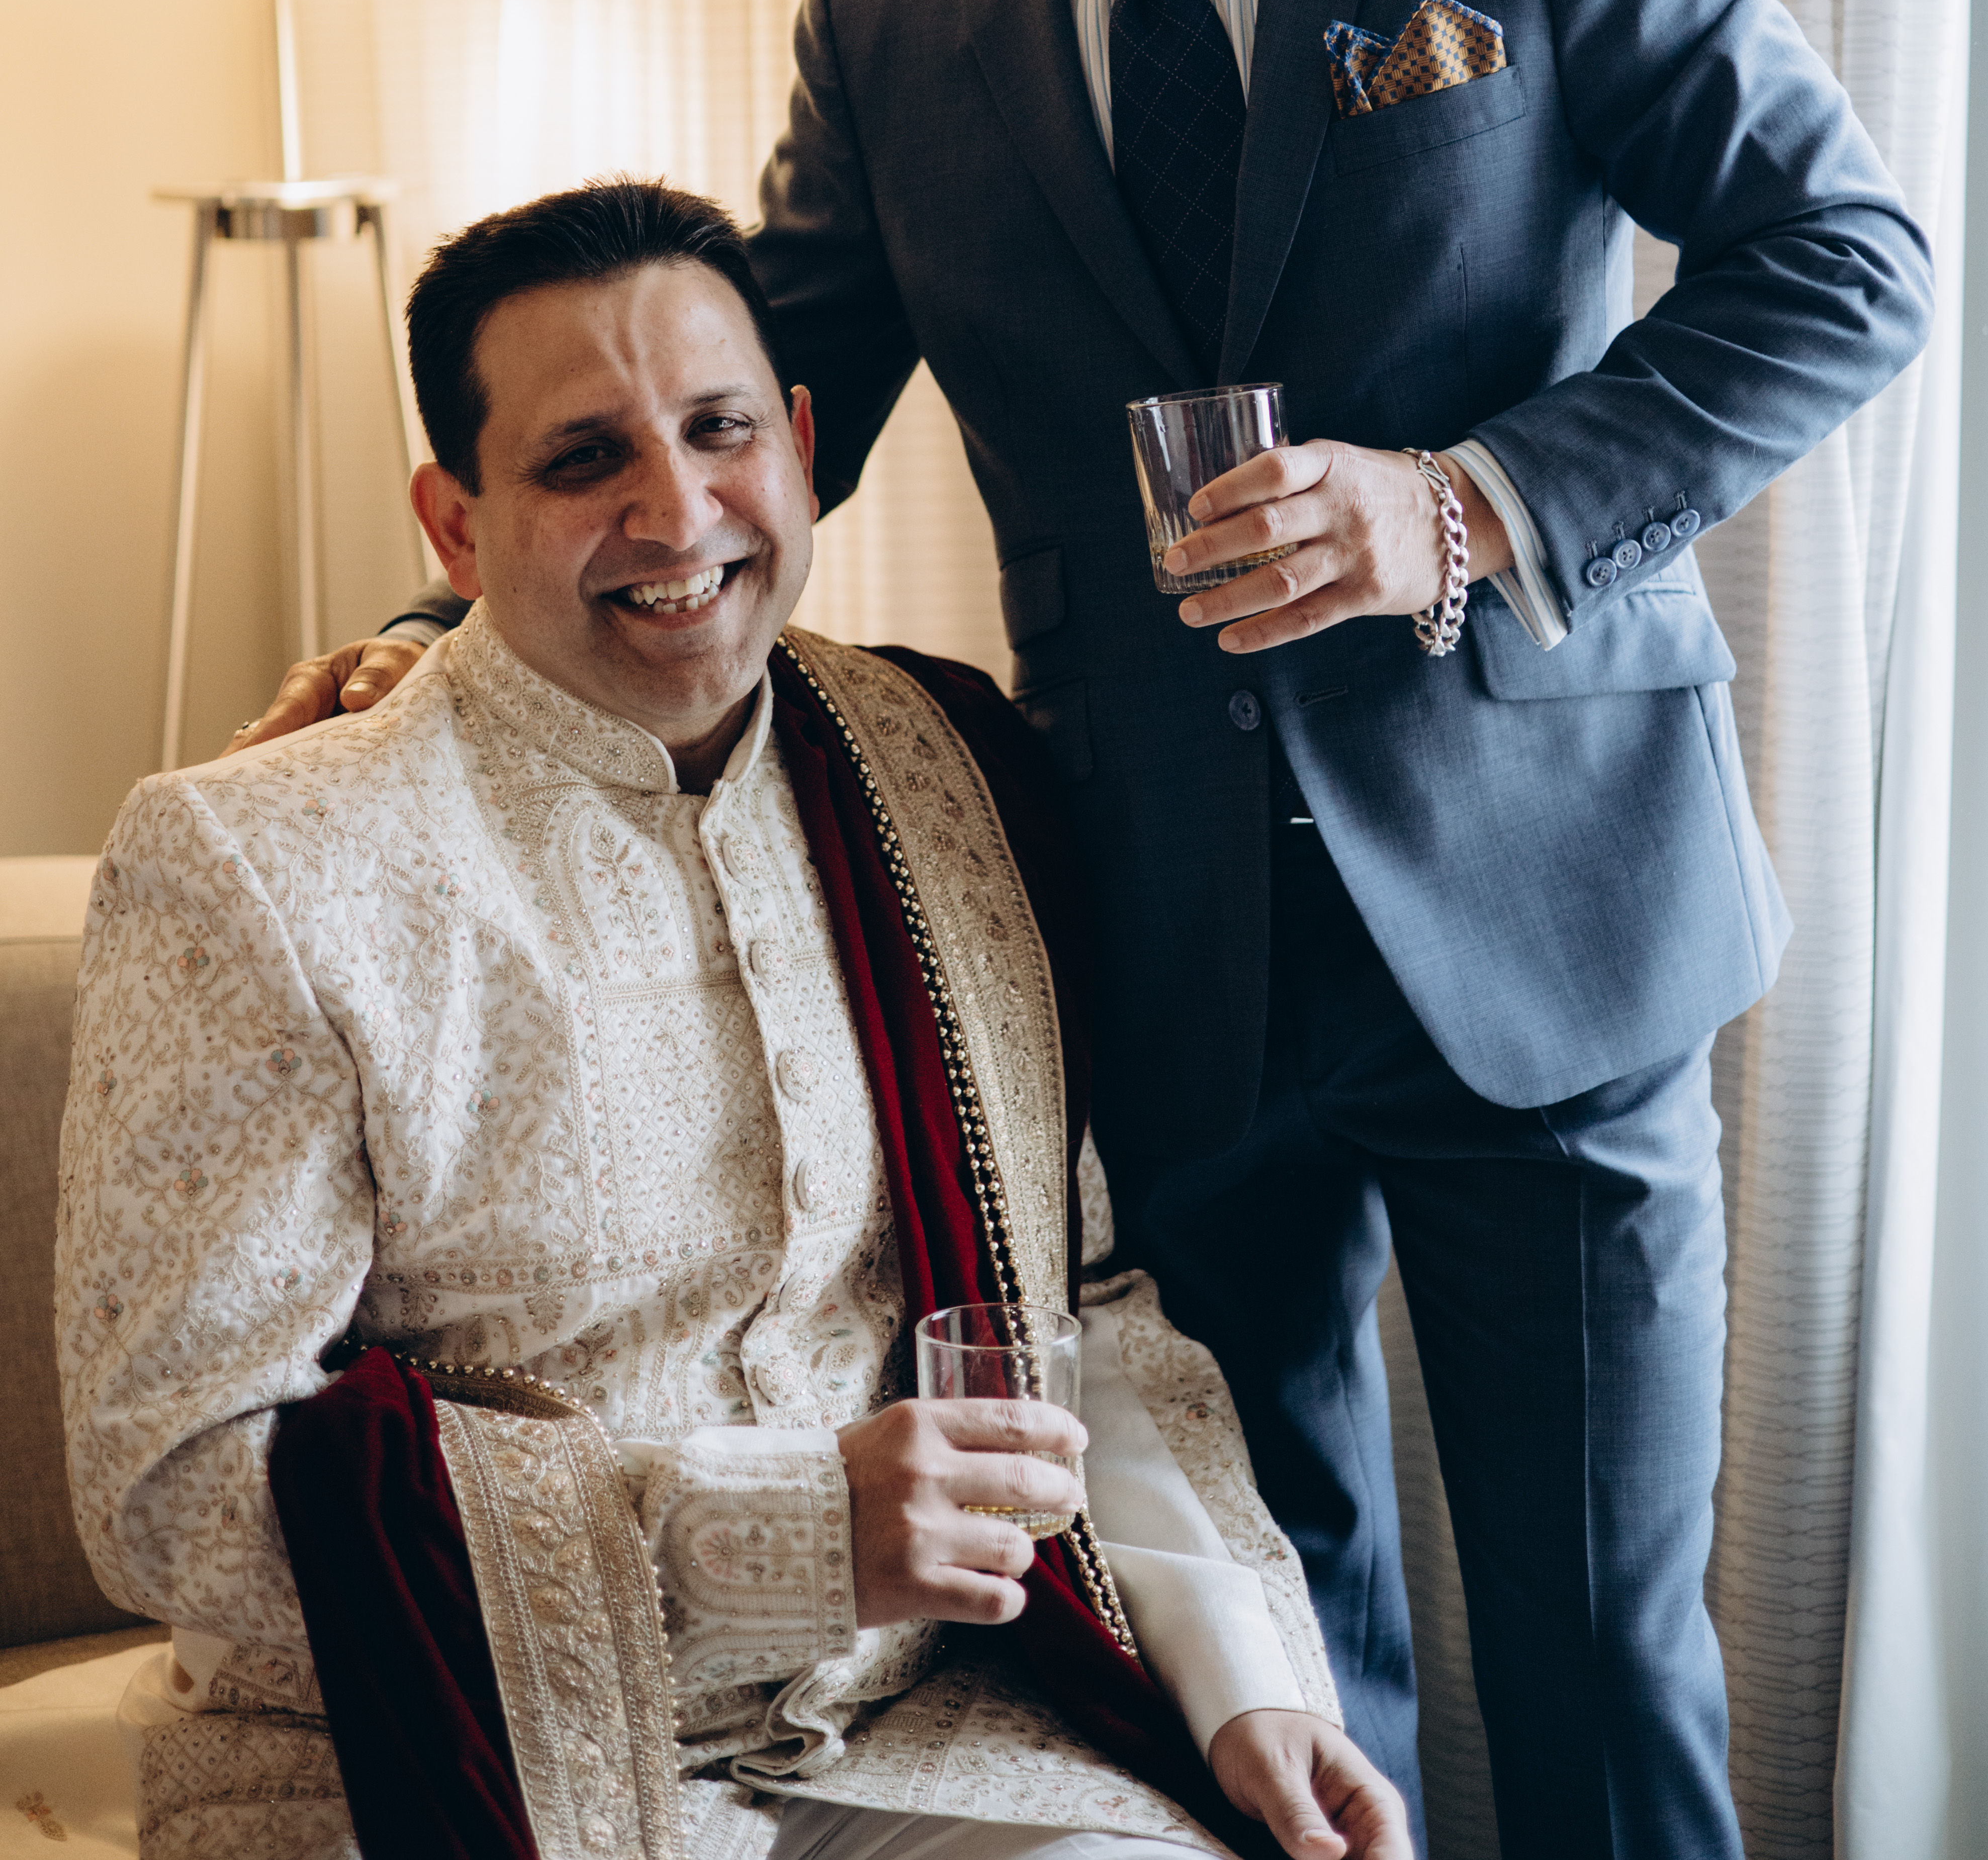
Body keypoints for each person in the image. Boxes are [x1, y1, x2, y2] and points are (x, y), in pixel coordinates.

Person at [233, 0, 1934, 1857]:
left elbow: (1846, 263)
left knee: (1596, 1658)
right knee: (1258, 1642)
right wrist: (436, 643)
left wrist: (1457, 503)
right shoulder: (887, 8)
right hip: (1152, 968)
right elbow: (745, 423)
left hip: (1544, 917)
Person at [59, 176, 1407, 1860]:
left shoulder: (935, 769)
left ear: (804, 442)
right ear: (453, 525)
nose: (678, 509)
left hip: (923, 1737)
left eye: (720, 428)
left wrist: (1246, 1684)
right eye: (582, 458)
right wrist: (777, 1534)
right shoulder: (263, 855)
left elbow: (1072, 1310)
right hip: (425, 1759)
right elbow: (173, 1487)